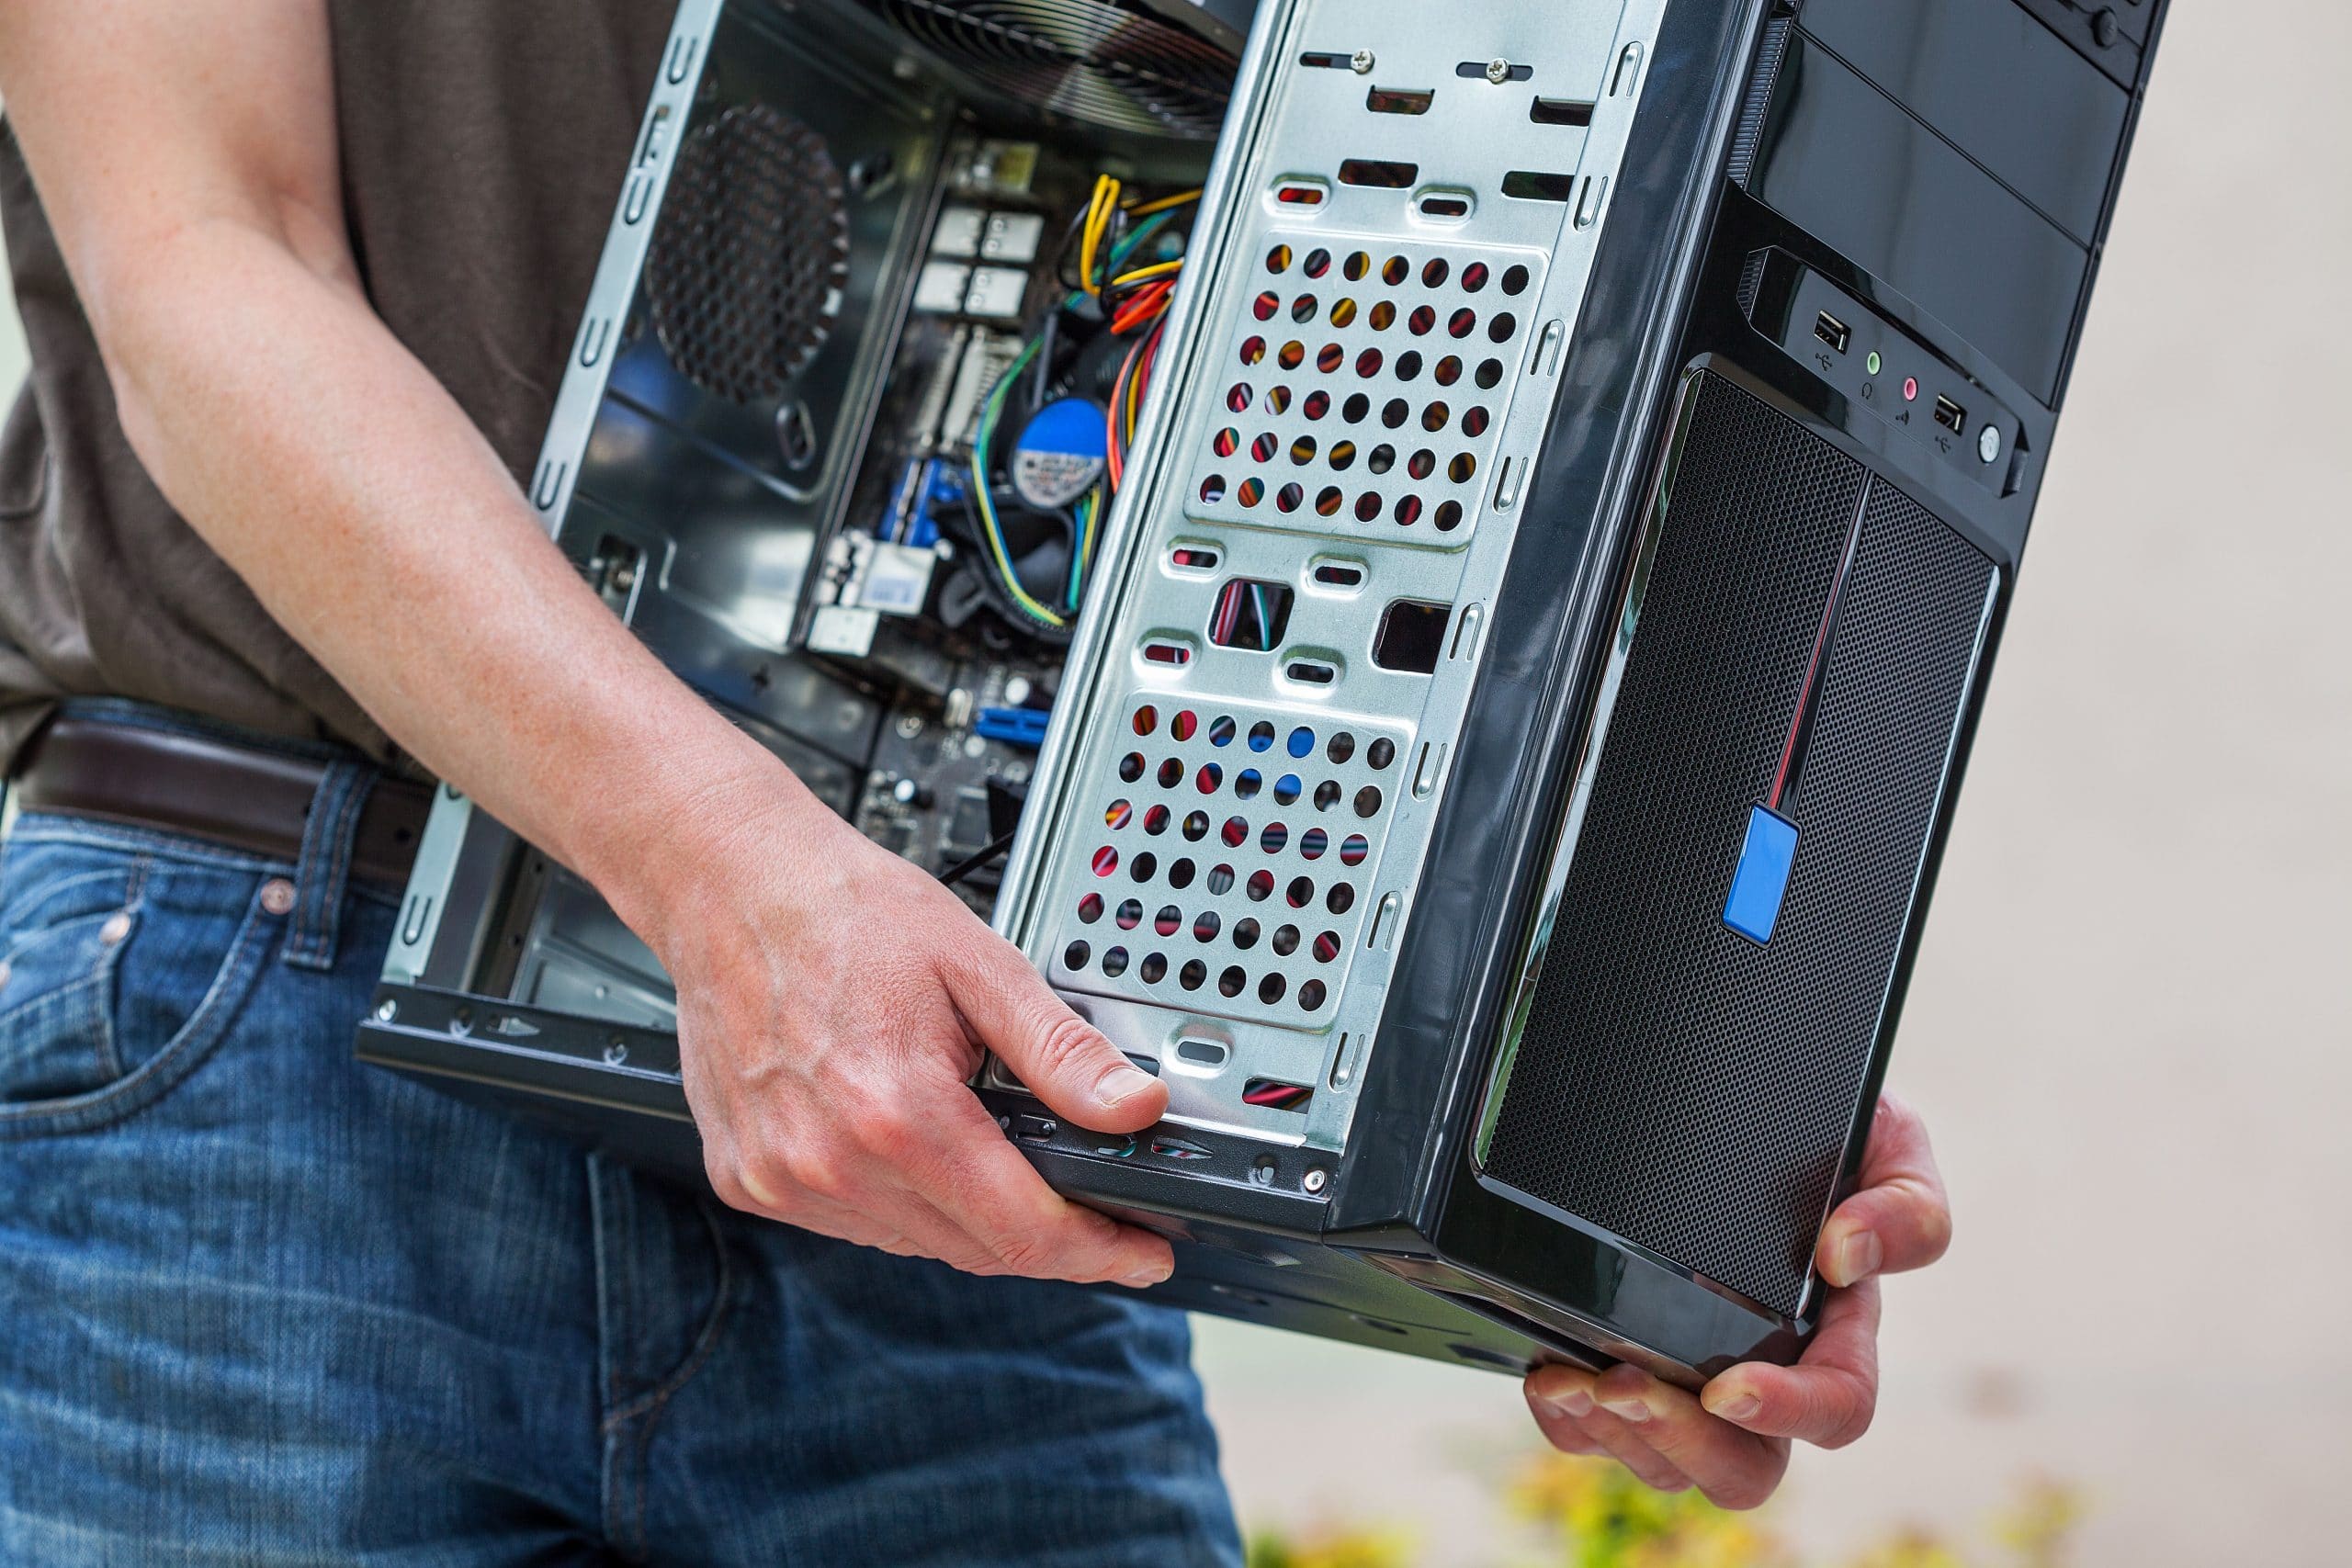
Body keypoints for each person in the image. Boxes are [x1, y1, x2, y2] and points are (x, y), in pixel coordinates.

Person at [0, 2, 1953, 1560]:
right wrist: (723, 869)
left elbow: (1411, 242)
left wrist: (1627, 1069)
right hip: (267, 998)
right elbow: (200, 252)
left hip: (932, 1075)